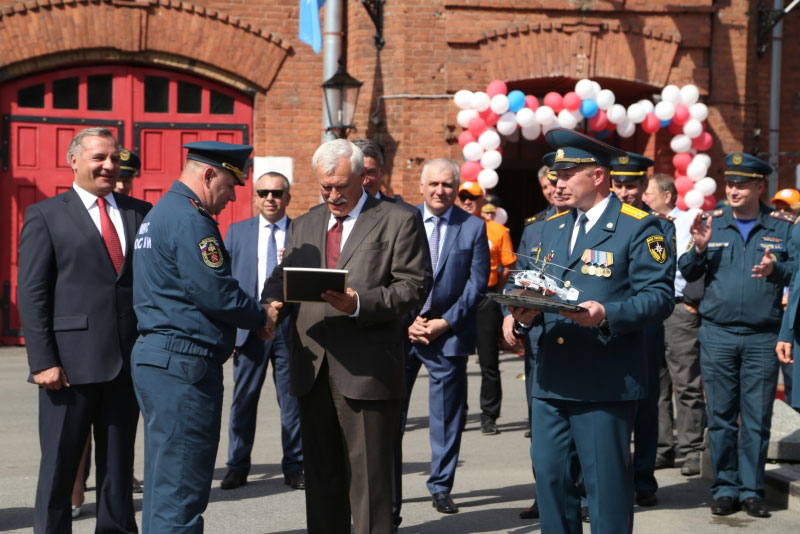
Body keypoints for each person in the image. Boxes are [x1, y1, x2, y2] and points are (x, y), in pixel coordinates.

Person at [508, 129, 674, 533]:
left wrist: (606, 313)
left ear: (597, 176)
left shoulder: (639, 227)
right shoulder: (546, 227)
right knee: (551, 482)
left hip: (604, 380)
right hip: (551, 380)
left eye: (567, 173)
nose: (556, 182)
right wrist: (516, 315)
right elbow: (525, 283)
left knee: (606, 493)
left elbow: (659, 297)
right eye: (555, 173)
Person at [261, 139, 428, 534]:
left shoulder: (398, 219)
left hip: (366, 369)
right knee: (321, 481)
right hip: (312, 368)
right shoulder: (304, 223)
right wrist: (271, 304)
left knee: (370, 483)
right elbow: (279, 281)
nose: (333, 195)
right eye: (325, 187)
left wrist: (357, 303)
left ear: (362, 177)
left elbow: (413, 286)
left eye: (341, 186)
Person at [17, 127, 151, 533]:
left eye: (113, 158)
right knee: (59, 470)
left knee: (117, 472)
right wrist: (43, 361)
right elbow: (32, 293)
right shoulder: (46, 215)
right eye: (99, 158)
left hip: (126, 366)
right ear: (73, 160)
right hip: (67, 371)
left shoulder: (139, 212)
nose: (109, 166)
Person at [131, 141, 268, 533]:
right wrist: (261, 314)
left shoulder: (161, 213)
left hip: (160, 358)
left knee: (164, 481)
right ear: (208, 174)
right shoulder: (192, 219)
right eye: (229, 185)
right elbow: (216, 291)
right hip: (184, 363)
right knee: (182, 491)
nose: (231, 197)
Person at [679, 152, 795, 518]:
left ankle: (752, 489)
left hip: (763, 336)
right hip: (718, 334)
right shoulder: (711, 222)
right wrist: (698, 246)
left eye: (742, 183)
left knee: (757, 418)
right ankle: (725, 487)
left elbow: (796, 272)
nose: (733, 189)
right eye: (730, 182)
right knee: (722, 416)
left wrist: (775, 269)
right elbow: (686, 270)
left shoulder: (783, 226)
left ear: (760, 186)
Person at [394, 159, 489, 523]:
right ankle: (388, 486)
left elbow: (476, 284)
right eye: (433, 184)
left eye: (448, 185)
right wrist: (408, 320)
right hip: (403, 331)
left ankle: (441, 486)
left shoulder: (474, 228)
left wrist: (444, 323)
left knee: (447, 415)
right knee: (390, 412)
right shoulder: (402, 221)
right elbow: (388, 274)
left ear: (457, 188)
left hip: (447, 333)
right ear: (421, 186)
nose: (440, 191)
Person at [505, 153, 588, 523]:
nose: (556, 188)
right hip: (541, 342)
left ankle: (581, 494)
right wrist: (513, 314)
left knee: (582, 429)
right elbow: (520, 277)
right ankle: (547, 494)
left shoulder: (588, 227)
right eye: (550, 183)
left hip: (581, 340)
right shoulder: (536, 227)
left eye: (562, 180)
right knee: (545, 434)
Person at [219, 171, 304, 491]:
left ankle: (295, 465)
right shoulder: (237, 232)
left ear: (287, 197)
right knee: (243, 401)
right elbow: (224, 283)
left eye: (277, 193)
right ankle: (237, 465)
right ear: (255, 197)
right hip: (250, 329)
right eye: (264, 192)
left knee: (292, 402)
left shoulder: (301, 232)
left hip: (288, 330)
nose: (270, 198)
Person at [610, 152, 674, 507]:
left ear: (643, 187)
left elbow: (659, 280)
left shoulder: (659, 226)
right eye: (618, 184)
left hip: (645, 325)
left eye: (631, 185)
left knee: (646, 403)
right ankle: (611, 477)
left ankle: (644, 479)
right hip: (608, 321)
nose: (624, 191)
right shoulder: (604, 221)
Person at [644, 173, 707, 475]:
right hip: (653, 311)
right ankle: (662, 448)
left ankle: (693, 449)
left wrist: (695, 301)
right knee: (656, 385)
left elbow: (702, 260)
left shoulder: (691, 220)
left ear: (668, 195)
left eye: (650, 193)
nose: (645, 197)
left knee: (686, 384)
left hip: (681, 310)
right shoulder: (647, 224)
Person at [457, 181, 516, 435]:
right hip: (457, 297)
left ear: (483, 200)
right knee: (456, 358)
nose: (468, 201)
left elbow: (508, 266)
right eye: (463, 197)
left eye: (473, 197)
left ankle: (489, 415)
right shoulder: (453, 226)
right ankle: (457, 413)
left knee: (488, 360)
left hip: (486, 297)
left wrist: (496, 292)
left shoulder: (497, 230)